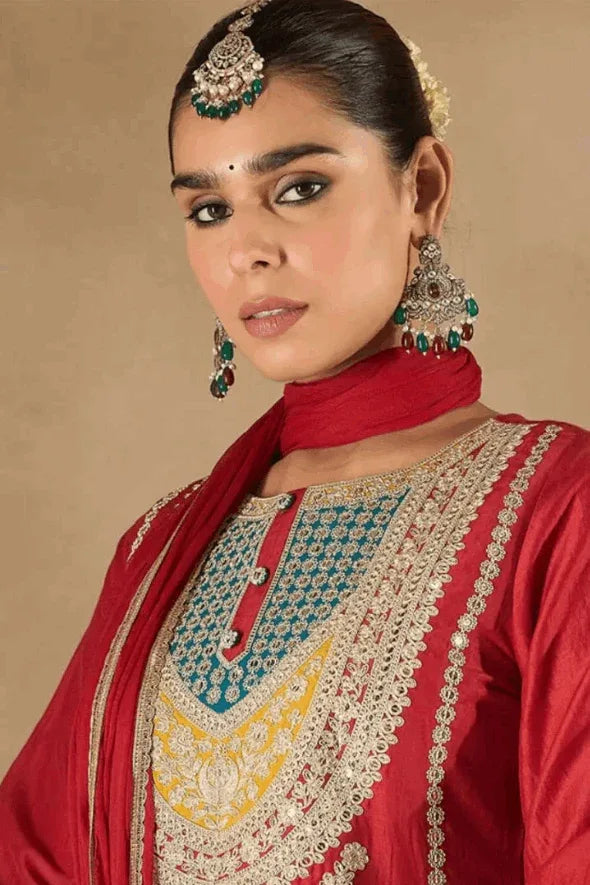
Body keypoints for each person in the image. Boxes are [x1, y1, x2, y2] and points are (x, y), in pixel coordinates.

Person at [1, 0, 589, 882]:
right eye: (209, 208)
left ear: (422, 189)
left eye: (299, 188)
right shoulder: (158, 549)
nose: (247, 250)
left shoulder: (556, 509)